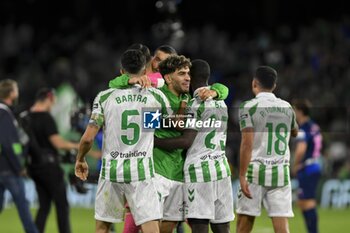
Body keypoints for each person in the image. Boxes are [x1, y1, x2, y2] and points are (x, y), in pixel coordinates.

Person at [110, 53, 228, 233]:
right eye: (182, 73)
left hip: (179, 174)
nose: (188, 77)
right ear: (168, 78)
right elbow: (148, 129)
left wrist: (217, 91)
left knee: (169, 226)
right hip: (157, 171)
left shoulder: (190, 99)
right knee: (147, 225)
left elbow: (220, 88)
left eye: (188, 73)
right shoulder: (156, 96)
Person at [75, 49, 171, 233]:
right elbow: (171, 125)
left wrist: (80, 159)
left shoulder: (104, 97)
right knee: (151, 227)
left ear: (121, 71)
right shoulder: (156, 97)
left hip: (111, 173)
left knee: (102, 227)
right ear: (145, 71)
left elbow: (88, 138)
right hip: (141, 173)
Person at [153, 59, 234, 233]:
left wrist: (152, 140)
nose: (186, 77)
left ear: (192, 75)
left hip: (199, 171)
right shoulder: (222, 102)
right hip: (221, 169)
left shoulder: (194, 104)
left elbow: (185, 140)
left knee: (199, 226)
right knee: (222, 227)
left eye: (186, 73)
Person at [236, 66, 298, 233]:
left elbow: (247, 143)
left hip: (255, 171)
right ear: (274, 86)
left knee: (245, 221)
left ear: (254, 83)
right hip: (280, 171)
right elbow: (295, 131)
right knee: (281, 224)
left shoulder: (248, 107)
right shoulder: (287, 107)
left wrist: (241, 175)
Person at [20, 87, 80, 233]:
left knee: (44, 205)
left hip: (33, 167)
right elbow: (58, 143)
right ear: (49, 99)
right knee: (62, 205)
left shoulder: (25, 117)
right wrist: (78, 145)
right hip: (49, 167)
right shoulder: (46, 118)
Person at [0, 79, 39, 233]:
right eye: (16, 90)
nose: (18, 93)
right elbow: (8, 143)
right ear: (11, 93)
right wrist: (19, 166)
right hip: (9, 169)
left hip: (3, 166)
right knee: (24, 209)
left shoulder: (6, 113)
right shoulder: (4, 113)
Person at [292, 99, 322, 233]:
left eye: (294, 110)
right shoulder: (314, 126)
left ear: (299, 112)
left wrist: (295, 165)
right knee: (303, 202)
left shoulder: (303, 128)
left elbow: (301, 149)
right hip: (315, 165)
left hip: (307, 168)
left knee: (308, 202)